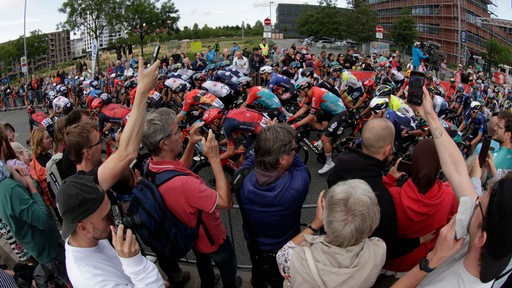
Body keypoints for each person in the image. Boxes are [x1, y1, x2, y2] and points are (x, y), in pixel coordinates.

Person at [56, 57, 164, 288]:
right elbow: (127, 152)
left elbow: (127, 152)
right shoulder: (92, 280)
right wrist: (142, 91)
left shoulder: (86, 218)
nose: (115, 221)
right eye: (108, 216)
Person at [392, 86, 512, 288]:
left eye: (483, 198)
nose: (478, 196)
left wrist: (431, 261)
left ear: (481, 237)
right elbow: (457, 169)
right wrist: (430, 115)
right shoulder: (489, 232)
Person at [143, 108, 241, 288]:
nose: (181, 134)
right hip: (211, 236)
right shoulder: (184, 184)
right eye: (177, 132)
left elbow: (178, 168)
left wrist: (189, 144)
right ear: (164, 143)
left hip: (191, 233)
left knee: (203, 263)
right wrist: (214, 158)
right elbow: (225, 202)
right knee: (227, 264)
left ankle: (208, 283)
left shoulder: (151, 165)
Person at [327, 118, 429, 261]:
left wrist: (388, 179)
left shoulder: (342, 159)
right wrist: (418, 240)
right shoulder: (382, 198)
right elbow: (388, 247)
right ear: (387, 149)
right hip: (357, 259)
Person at [236, 124, 310, 288]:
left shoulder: (241, 176)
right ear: (282, 159)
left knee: (258, 270)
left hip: (254, 243)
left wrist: (270, 139)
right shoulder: (297, 186)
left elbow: (253, 157)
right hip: (285, 246)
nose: (295, 151)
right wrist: (279, 136)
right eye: (294, 148)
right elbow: (298, 164)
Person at [276, 180, 386, 287]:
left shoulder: (295, 259)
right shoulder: (379, 248)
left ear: (324, 216)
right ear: (374, 222)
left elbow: (284, 252)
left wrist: (315, 224)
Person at [0, 128, 70, 287]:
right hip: (48, 247)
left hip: (42, 246)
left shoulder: (6, 177)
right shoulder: (8, 188)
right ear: (3, 146)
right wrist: (32, 187)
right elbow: (43, 219)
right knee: (71, 278)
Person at [382, 139, 458, 272]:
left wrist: (389, 179)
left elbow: (378, 201)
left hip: (386, 257)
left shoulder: (393, 196)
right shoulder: (449, 197)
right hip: (415, 263)